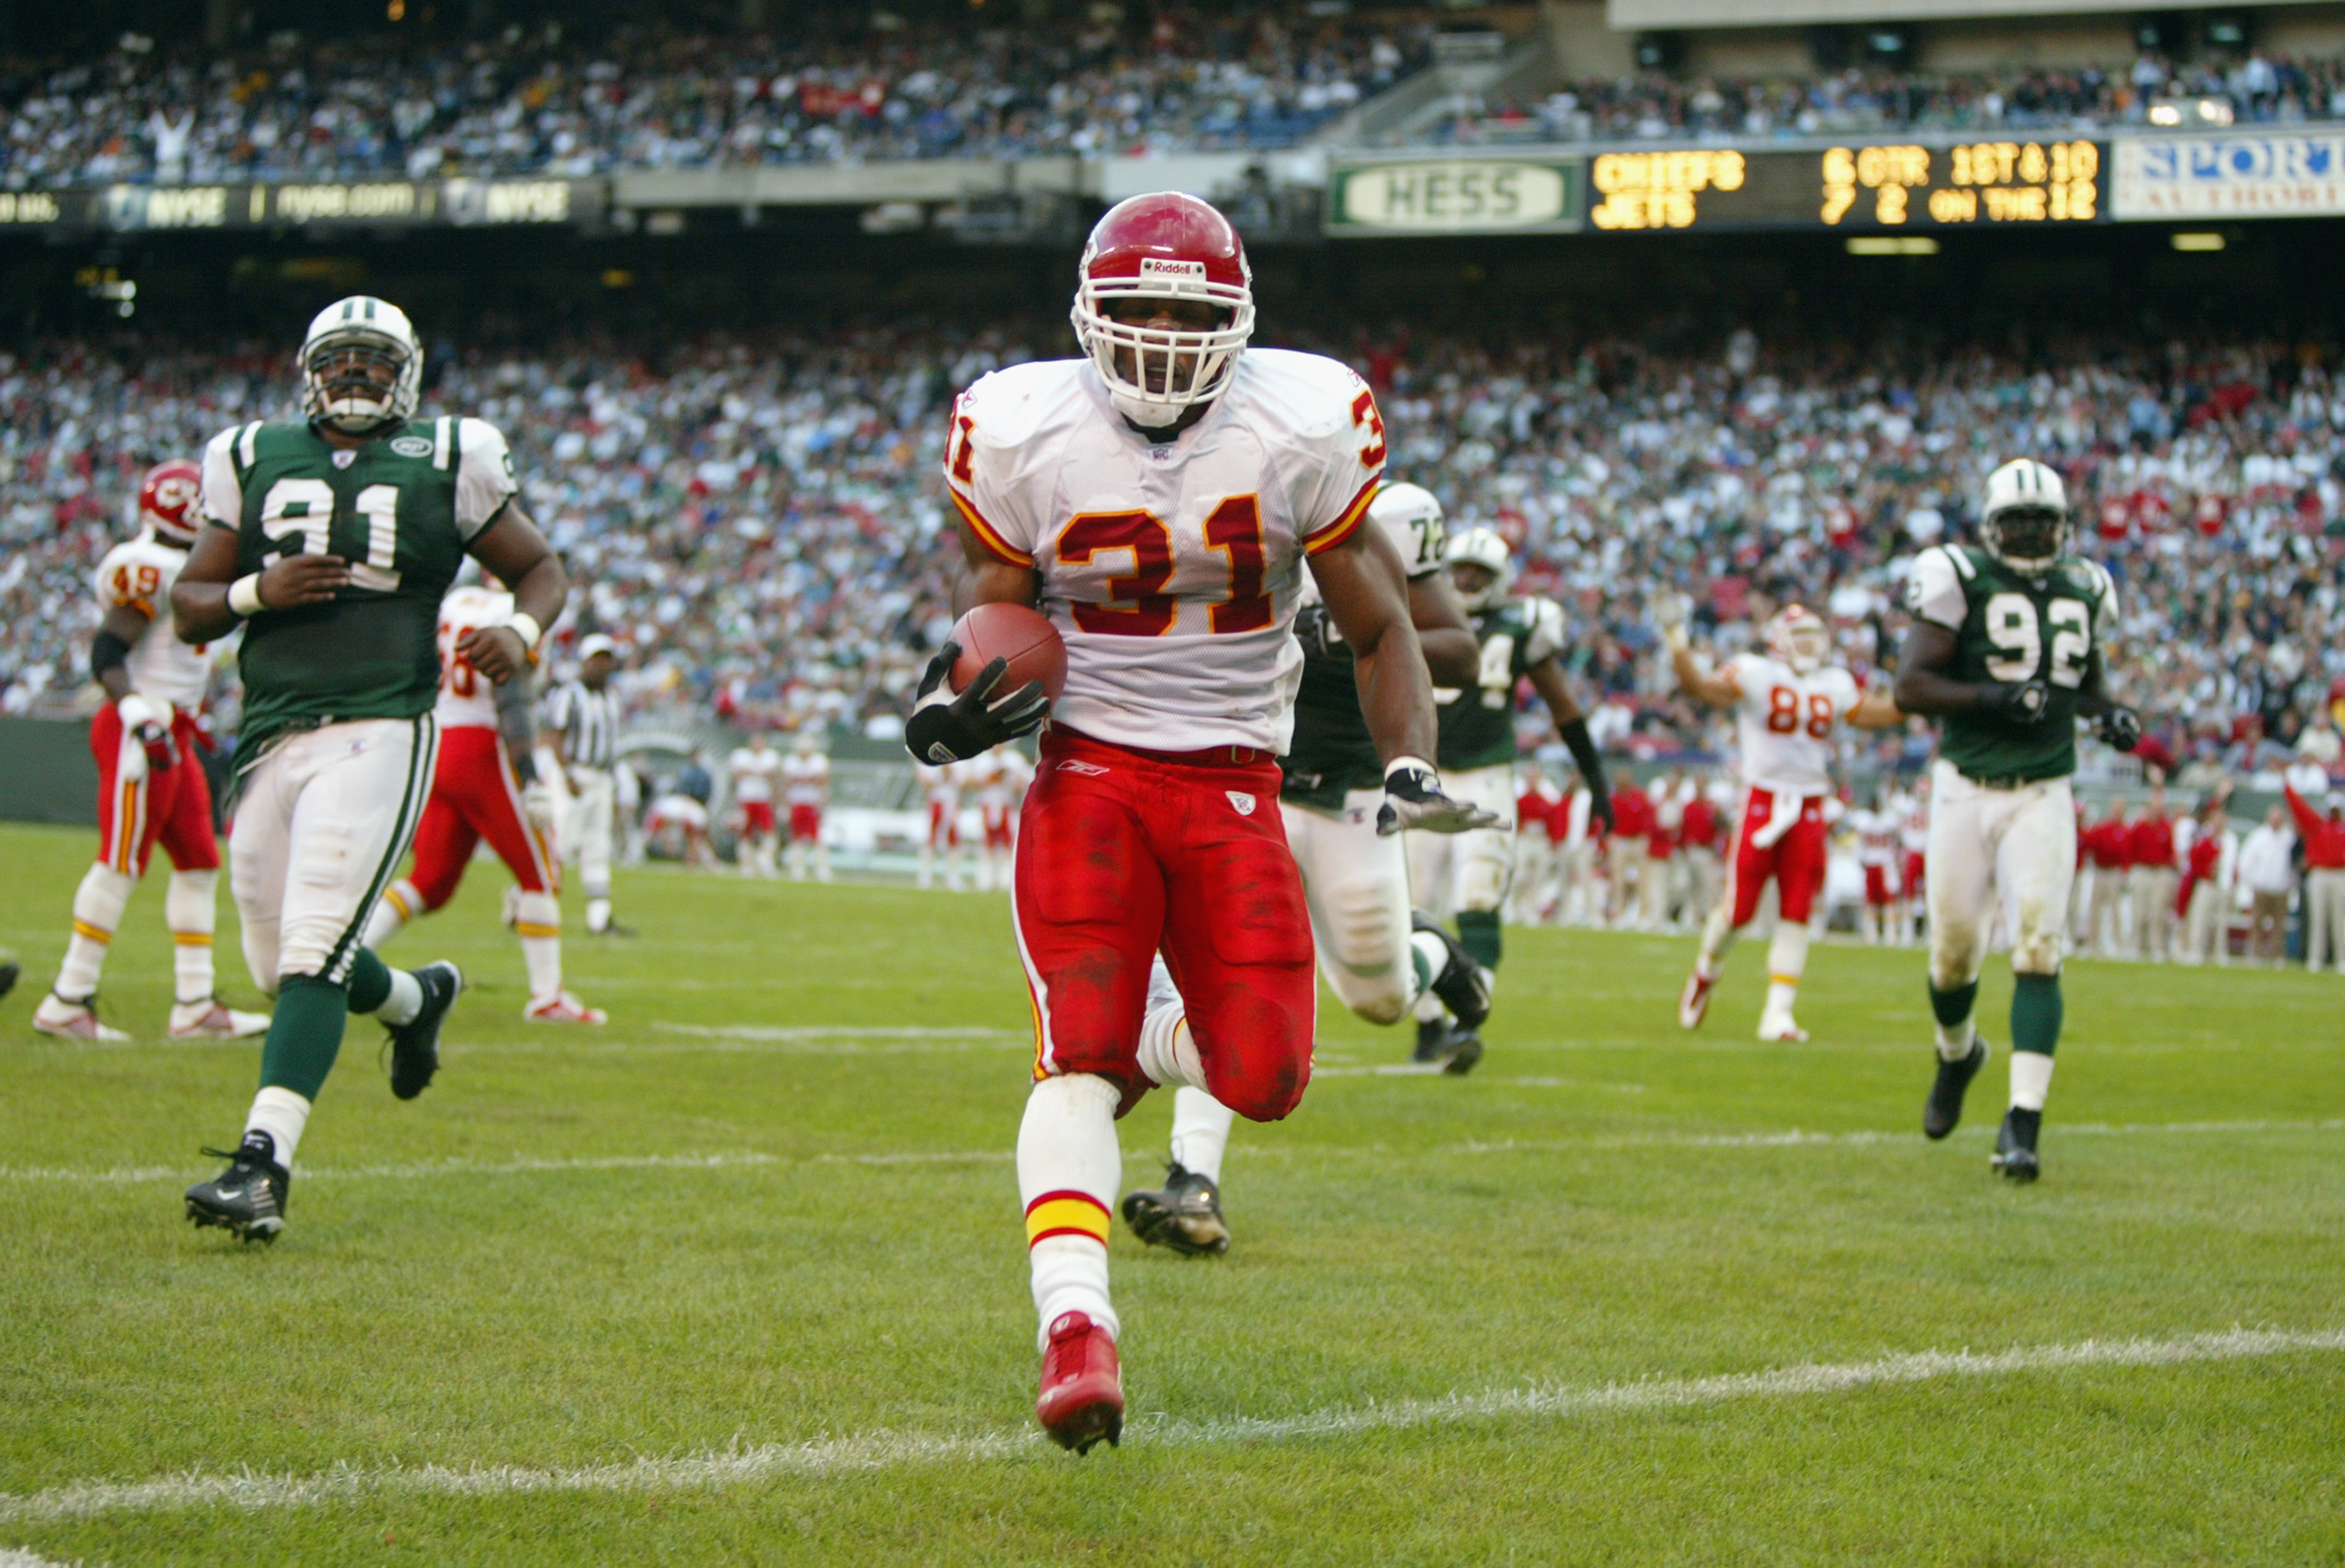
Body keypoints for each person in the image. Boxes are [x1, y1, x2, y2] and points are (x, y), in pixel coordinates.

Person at [916, 192, 1487, 1453]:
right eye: (1138, 310)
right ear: (1086, 315)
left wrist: (1404, 764)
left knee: (1266, 1074)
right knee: (1073, 1056)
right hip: (1091, 771)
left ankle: (1154, 1032)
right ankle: (1075, 1329)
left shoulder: (1298, 419)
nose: (1165, 336)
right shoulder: (1020, 425)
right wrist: (957, 696)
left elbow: (1387, 625)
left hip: (1236, 777)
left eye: (1191, 310)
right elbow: (997, 623)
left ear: (1237, 320)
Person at [169, 294, 567, 1241]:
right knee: (279, 966)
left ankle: (262, 1167)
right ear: (309, 367)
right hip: (269, 730)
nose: (356, 373)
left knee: (311, 946)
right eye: (340, 358)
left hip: (384, 721)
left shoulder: (451, 451)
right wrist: (254, 588)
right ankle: (414, 995)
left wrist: (518, 626)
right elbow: (189, 606)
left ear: (409, 371)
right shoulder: (251, 453)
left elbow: (541, 568)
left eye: (374, 359)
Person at [1120, 482, 1488, 1259]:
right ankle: (1194, 1178)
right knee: (1224, 982)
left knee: (1381, 998)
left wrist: (1344, 629)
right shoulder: (1246, 525)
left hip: (1353, 798)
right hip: (1258, 786)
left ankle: (1436, 955)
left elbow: (1459, 649)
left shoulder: (1385, 522)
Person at [1894, 458, 2140, 1184]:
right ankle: (1957, 1053)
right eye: (2019, 522)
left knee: (2038, 943)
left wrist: (2110, 715)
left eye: (2043, 522)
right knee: (1952, 956)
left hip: (2043, 789)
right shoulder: (1958, 575)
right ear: (1991, 527)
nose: (2032, 535)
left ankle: (2023, 1122)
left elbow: (2086, 683)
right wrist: (1991, 700)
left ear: (2063, 527)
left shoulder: (2085, 586)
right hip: (1965, 785)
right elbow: (1910, 685)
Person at [34, 459, 269, 1043]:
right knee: (120, 860)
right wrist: (140, 717)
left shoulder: (181, 564)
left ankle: (194, 1005)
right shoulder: (149, 565)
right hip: (145, 726)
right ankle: (68, 999)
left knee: (198, 862)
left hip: (176, 730)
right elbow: (107, 653)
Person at [1403, 522, 1609, 1063]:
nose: (1468, 579)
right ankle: (1428, 1023)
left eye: (1481, 573)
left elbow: (1564, 709)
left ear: (1500, 581)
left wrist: (1597, 783)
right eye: (1462, 569)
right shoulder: (1415, 610)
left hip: (1485, 775)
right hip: (1423, 774)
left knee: (1478, 896)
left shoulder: (1522, 624)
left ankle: (1466, 1022)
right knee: (1408, 903)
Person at [361, 582, 605, 1024]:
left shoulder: (454, 600)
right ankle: (547, 996)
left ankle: (346, 961)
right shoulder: (518, 610)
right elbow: (510, 696)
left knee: (429, 881)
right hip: (484, 747)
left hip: (439, 739)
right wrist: (530, 775)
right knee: (541, 872)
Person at [1663, 599, 1903, 1040]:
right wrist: (1678, 642)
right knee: (1738, 912)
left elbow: (1883, 714)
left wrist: (1919, 681)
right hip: (1763, 797)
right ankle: (1704, 974)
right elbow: (1699, 688)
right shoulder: (1754, 672)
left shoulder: (1835, 682)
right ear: (1778, 640)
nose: (1810, 646)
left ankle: (1778, 1014)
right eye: (1801, 637)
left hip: (1810, 802)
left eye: (1815, 637)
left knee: (1797, 910)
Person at [546, 635, 627, 933]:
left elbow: (611, 745)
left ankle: (599, 917)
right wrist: (566, 773)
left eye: (607, 658)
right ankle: (527, 903)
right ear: (585, 660)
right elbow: (556, 734)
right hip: (575, 774)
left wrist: (613, 783)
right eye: (598, 658)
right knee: (561, 842)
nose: (603, 665)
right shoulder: (569, 693)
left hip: (601, 777)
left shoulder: (612, 698)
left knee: (598, 846)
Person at [2282, 780, 2345, 971]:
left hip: (2340, 874)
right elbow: (2299, 807)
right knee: (2317, 918)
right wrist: (2287, 786)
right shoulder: (2317, 825)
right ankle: (2315, 958)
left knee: (2340, 919)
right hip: (2319, 874)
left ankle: (2341, 959)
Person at [2176, 794, 2235, 966]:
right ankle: (2196, 951)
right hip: (2206, 883)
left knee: (2222, 922)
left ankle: (2220, 953)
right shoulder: (2204, 839)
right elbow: (2195, 861)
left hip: (2224, 886)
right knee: (2200, 919)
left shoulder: (2230, 840)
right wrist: (2207, 872)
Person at [2237, 804, 2297, 966]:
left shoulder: (2289, 838)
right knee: (2257, 924)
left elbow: (2293, 864)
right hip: (2261, 888)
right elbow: (2246, 861)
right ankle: (2255, 954)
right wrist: (2252, 882)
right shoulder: (2258, 837)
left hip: (2281, 889)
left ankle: (2277, 957)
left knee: (2278, 927)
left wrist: (2290, 884)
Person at [2129, 788, 2178, 962]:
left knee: (2157, 912)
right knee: (2139, 910)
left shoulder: (2166, 827)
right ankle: (2136, 945)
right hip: (2143, 870)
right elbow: (2131, 849)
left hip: (2159, 871)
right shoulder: (2140, 827)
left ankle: (2156, 946)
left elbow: (2170, 852)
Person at [728, 730, 783, 879]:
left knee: (769, 831)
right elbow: (736, 774)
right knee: (745, 833)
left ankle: (766, 860)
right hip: (746, 799)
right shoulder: (741, 755)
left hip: (764, 799)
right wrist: (758, 773)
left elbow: (774, 773)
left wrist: (753, 772)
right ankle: (746, 864)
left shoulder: (771, 756)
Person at [781, 729, 834, 884]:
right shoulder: (791, 761)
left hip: (813, 802)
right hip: (797, 802)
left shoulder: (819, 761)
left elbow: (822, 779)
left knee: (817, 837)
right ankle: (798, 868)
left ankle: (822, 868)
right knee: (796, 837)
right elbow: (787, 781)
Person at [916, 758, 965, 890]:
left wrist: (951, 774)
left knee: (953, 841)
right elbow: (923, 780)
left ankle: (952, 877)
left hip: (952, 802)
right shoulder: (929, 756)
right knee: (931, 839)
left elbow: (968, 782)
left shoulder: (962, 758)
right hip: (936, 801)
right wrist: (941, 776)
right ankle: (925, 875)